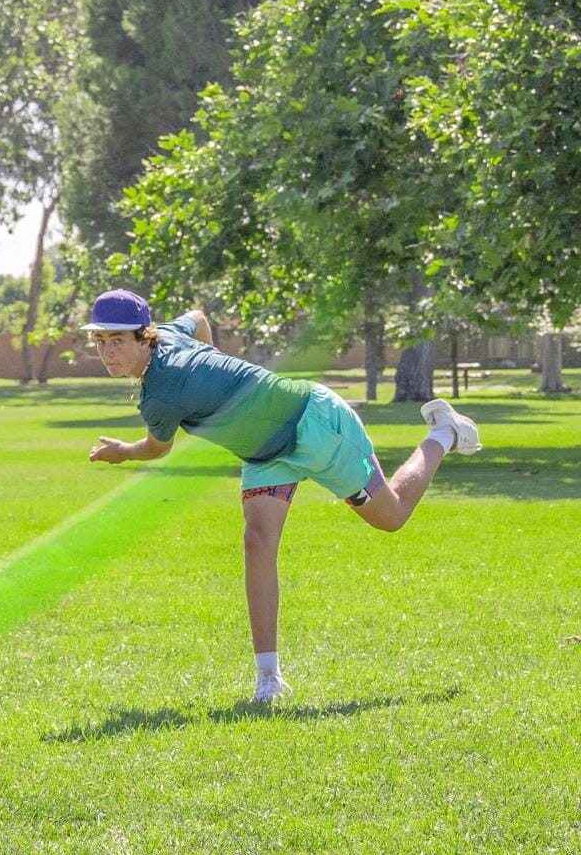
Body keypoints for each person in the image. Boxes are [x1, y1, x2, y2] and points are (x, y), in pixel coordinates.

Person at [82, 289, 481, 703]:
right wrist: (217, 365)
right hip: (265, 454)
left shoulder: (159, 397)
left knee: (391, 515)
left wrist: (123, 453)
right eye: (101, 342)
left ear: (145, 336)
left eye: (118, 342)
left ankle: (443, 432)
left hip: (313, 425)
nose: (109, 353)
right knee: (256, 542)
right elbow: (198, 316)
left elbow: (156, 448)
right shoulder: (170, 333)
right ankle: (268, 679)